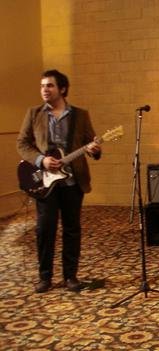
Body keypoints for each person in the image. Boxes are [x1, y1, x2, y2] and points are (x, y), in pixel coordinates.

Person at [17, 69, 102, 293]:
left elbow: (90, 144)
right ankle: (45, 277)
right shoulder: (34, 113)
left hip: (72, 182)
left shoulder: (80, 115)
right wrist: (41, 160)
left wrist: (94, 149)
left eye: (50, 85)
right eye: (42, 86)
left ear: (62, 89)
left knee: (72, 229)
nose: (45, 89)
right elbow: (22, 143)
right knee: (45, 229)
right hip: (44, 182)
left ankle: (70, 276)